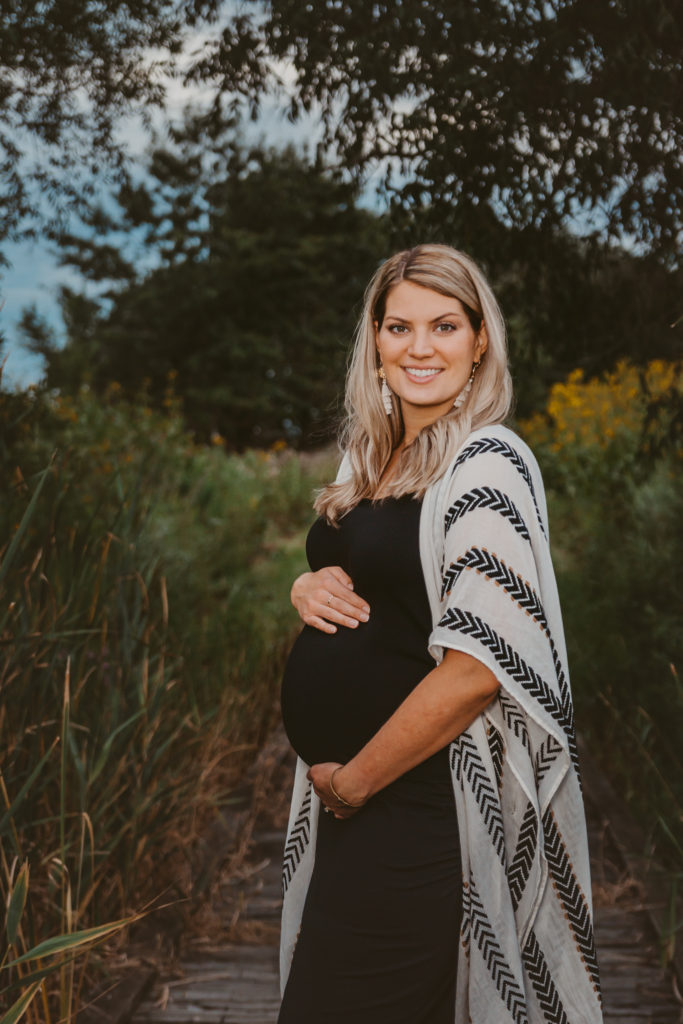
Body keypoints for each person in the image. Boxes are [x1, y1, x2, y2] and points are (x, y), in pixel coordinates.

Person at [277, 244, 603, 1024]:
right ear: (375, 339)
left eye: (444, 325)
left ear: (479, 339)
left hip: (413, 801)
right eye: (399, 327)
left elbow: (476, 669)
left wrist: (354, 783)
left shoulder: (486, 464)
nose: (419, 348)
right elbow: (380, 583)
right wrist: (303, 583)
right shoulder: (376, 459)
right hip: (359, 808)